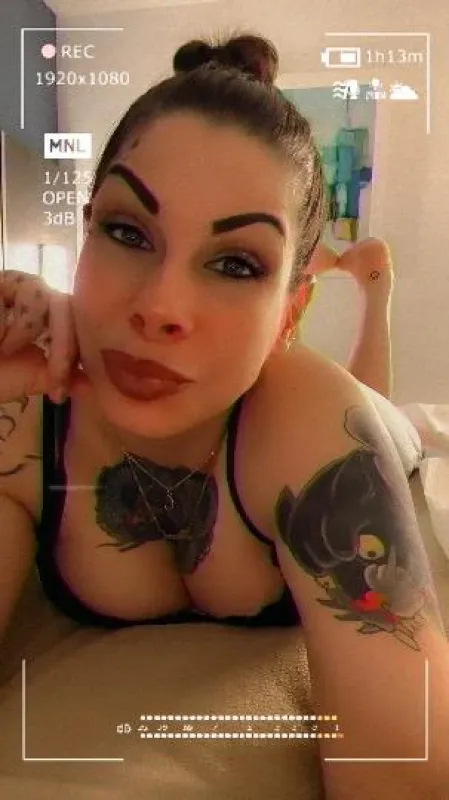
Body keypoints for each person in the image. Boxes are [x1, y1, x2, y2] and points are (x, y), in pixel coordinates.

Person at [0, 30, 448, 798]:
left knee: (372, 413)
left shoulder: (308, 420)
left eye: (236, 263)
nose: (160, 307)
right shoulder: (27, 418)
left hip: (366, 430)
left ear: (288, 312)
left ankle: (374, 291)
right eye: (126, 232)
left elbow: (402, 773)